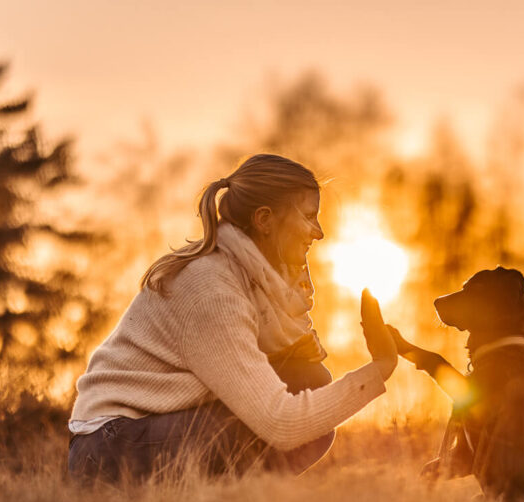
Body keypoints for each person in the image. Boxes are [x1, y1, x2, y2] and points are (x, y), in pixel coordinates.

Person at [67, 154, 398, 482]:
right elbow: (280, 425)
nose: (319, 232)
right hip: (108, 446)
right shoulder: (213, 291)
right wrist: (379, 368)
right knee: (277, 419)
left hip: (141, 430)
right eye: (309, 217)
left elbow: (297, 371)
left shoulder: (249, 278)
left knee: (305, 378)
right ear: (264, 220)